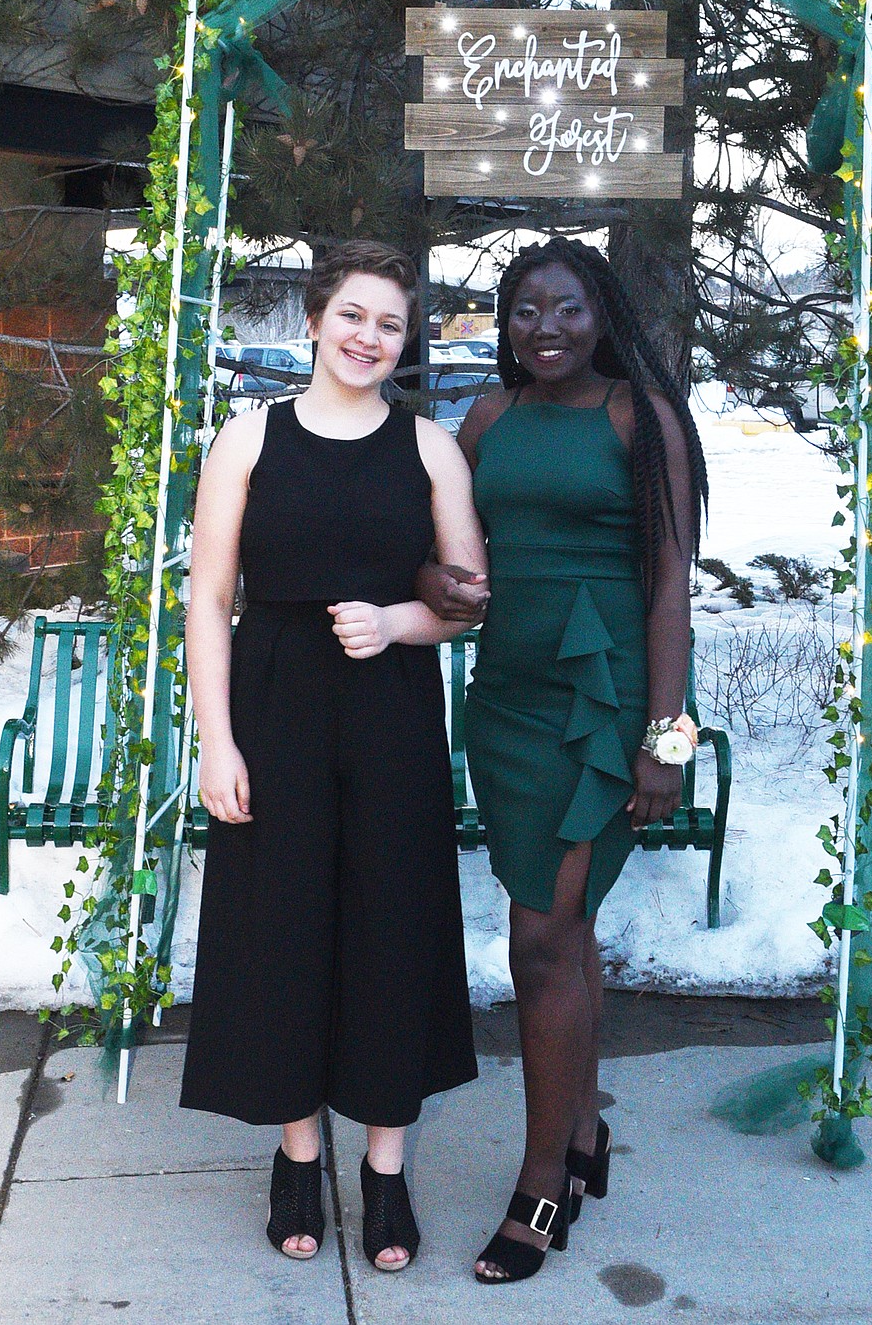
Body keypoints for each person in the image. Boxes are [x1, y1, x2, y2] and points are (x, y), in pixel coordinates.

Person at [179, 240, 487, 1273]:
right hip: (274, 710)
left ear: (408, 341)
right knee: (284, 931)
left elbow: (468, 596)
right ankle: (298, 1157)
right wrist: (217, 740)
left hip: (390, 714)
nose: (368, 337)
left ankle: (386, 1170)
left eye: (390, 323)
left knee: (390, 930)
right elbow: (207, 600)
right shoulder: (249, 440)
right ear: (314, 319)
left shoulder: (430, 448)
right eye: (352, 315)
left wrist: (404, 619)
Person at [419, 236, 708, 1284]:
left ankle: (542, 1182)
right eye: (524, 310)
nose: (545, 328)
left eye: (567, 309)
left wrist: (664, 740)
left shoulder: (642, 417)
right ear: (504, 324)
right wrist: (441, 583)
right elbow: (444, 548)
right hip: (507, 704)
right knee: (566, 927)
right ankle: (584, 1130)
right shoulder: (489, 418)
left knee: (539, 942)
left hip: (605, 702)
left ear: (603, 316)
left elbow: (671, 589)